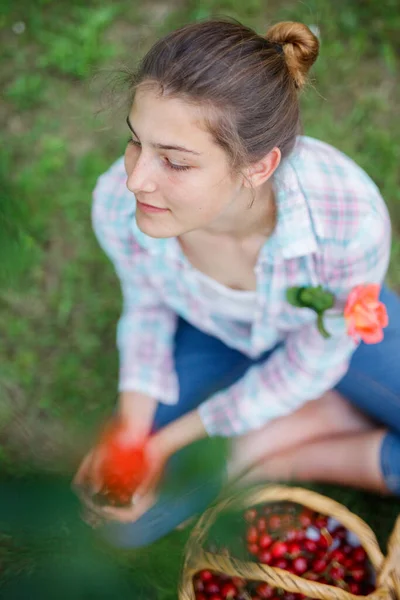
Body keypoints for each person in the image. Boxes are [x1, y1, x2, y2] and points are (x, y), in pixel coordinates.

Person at [73, 18, 400, 548]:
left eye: (174, 161)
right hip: (211, 329)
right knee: (122, 523)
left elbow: (311, 358)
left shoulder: (346, 219)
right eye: (136, 142)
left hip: (333, 338)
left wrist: (175, 440)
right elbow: (148, 306)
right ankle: (301, 421)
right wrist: (134, 437)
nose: (135, 180)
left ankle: (287, 446)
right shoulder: (117, 201)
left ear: (258, 166)